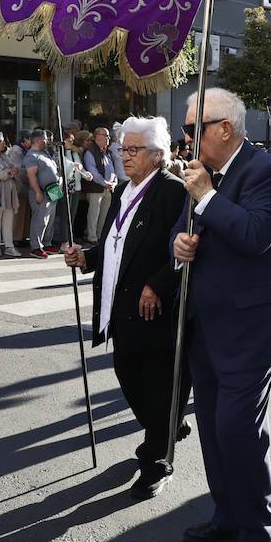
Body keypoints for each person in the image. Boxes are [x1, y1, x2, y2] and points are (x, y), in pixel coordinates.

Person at [172, 88, 271, 542]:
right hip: (206, 323)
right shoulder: (203, 175)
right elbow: (184, 231)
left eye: (192, 129)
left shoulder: (265, 171)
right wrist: (177, 246)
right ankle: (227, 513)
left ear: (225, 128)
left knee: (237, 429)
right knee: (212, 429)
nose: (186, 138)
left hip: (248, 326)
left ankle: (260, 526)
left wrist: (207, 196)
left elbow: (256, 234)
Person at [63, 116, 191, 497]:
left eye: (134, 149)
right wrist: (85, 258)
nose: (126, 155)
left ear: (156, 154)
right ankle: (166, 426)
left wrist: (157, 284)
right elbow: (112, 244)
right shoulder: (124, 190)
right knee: (129, 377)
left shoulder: (172, 191)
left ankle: (156, 460)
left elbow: (183, 250)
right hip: (121, 306)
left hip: (155, 310)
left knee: (158, 386)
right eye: (123, 148)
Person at [24, 129, 61, 258]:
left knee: (50, 219)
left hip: (53, 190)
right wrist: (37, 192)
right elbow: (31, 176)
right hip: (42, 192)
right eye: (45, 139)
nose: (48, 141)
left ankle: (46, 242)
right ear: (39, 140)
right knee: (40, 219)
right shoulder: (32, 156)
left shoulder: (44, 153)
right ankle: (36, 247)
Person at [82, 125, 118, 242]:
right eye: (106, 136)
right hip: (95, 188)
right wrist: (105, 183)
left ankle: (100, 236)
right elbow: (92, 171)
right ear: (97, 136)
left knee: (104, 214)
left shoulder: (107, 152)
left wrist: (114, 182)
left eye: (109, 136)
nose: (108, 138)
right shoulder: (90, 151)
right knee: (94, 214)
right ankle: (91, 237)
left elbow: (112, 169)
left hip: (108, 188)